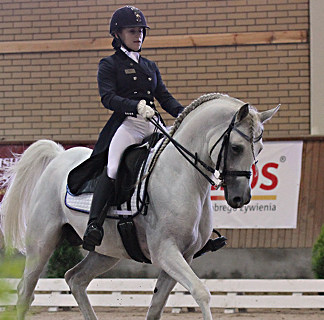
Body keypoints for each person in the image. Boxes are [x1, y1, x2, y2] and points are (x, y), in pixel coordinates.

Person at [68, 5, 225, 256]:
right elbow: (107, 98)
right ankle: (95, 225)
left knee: (182, 162)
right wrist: (135, 106)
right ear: (118, 34)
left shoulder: (150, 66)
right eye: (132, 31)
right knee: (113, 166)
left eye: (141, 31)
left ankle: (194, 234)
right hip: (127, 125)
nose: (138, 36)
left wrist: (188, 114)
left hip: (154, 125)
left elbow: (165, 97)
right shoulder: (109, 64)